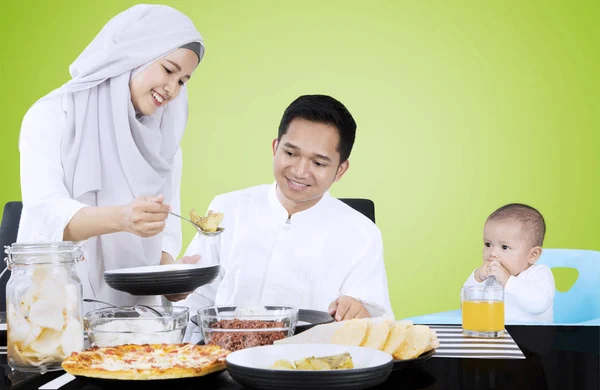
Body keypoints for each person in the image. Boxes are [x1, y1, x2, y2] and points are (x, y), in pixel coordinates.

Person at [17, 4, 205, 307]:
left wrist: (170, 276)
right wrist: (123, 218)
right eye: (169, 70)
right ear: (133, 54)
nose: (172, 89)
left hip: (137, 320)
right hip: (56, 311)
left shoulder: (164, 138)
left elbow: (163, 233)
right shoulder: (54, 115)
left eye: (183, 80)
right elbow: (47, 218)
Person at [179, 94, 393, 322]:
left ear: (340, 170)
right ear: (275, 147)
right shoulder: (227, 208)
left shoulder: (362, 233)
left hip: (313, 354)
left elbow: (376, 319)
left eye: (318, 163)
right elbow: (194, 299)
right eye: (290, 153)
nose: (300, 171)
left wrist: (360, 312)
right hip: (223, 352)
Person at [463, 203, 555, 322]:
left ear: (533, 255)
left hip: (533, 337)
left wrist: (507, 281)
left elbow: (539, 304)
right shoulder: (489, 277)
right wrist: (477, 278)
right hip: (494, 334)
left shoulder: (539, 273)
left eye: (505, 247)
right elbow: (465, 304)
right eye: (488, 244)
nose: (492, 253)